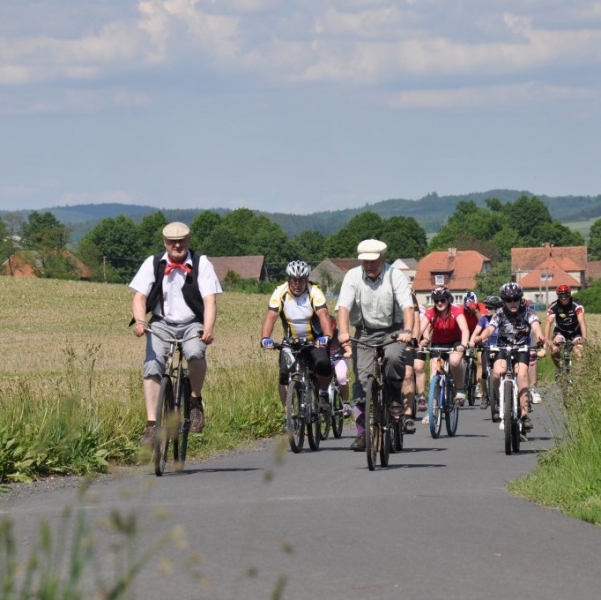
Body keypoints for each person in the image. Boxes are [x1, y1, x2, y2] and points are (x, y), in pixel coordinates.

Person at [130, 222, 222, 446]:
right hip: (161, 322)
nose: (177, 245)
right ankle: (151, 425)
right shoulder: (153, 263)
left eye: (181, 241)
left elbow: (210, 300)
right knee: (152, 365)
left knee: (195, 353)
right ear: (165, 242)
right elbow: (139, 297)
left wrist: (208, 328)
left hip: (193, 322)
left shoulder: (201, 263)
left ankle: (195, 400)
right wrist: (140, 322)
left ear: (188, 240)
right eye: (172, 242)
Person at [336, 239, 414, 451]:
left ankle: (395, 395)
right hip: (365, 332)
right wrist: (343, 332)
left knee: (393, 358)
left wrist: (407, 331)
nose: (369, 265)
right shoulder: (352, 276)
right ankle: (363, 434)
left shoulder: (394, 275)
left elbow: (407, 307)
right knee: (362, 382)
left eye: (373, 261)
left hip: (393, 331)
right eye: (365, 261)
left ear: (383, 259)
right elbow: (343, 307)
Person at [260, 260, 333, 411]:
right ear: (288, 280)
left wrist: (326, 336)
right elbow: (271, 317)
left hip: (314, 340)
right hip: (291, 341)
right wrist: (265, 338)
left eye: (301, 280)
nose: (297, 284)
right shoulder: (280, 292)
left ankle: (323, 392)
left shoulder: (314, 292)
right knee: (284, 374)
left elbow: (324, 315)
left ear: (307, 279)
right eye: (294, 280)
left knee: (323, 364)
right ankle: (288, 413)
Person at [477, 282, 544, 433]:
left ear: (520, 299)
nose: (512, 303)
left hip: (521, 348)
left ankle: (525, 415)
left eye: (515, 299)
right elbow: (490, 328)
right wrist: (481, 337)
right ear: (504, 301)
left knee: (522, 375)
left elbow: (535, 326)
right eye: (508, 300)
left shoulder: (528, 312)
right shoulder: (499, 313)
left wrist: (540, 337)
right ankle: (500, 401)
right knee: (496, 373)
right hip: (503, 348)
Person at [419, 286, 470, 422]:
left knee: (454, 361)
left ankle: (460, 389)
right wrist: (415, 341)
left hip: (455, 342)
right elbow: (420, 329)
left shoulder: (455, 311)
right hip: (438, 343)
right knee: (434, 374)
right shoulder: (430, 312)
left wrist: (463, 345)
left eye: (443, 300)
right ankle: (432, 411)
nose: (439, 303)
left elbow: (465, 329)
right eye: (436, 300)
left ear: (448, 300)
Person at [544, 284, 587, 376]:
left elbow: (581, 321)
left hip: (575, 332)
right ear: (558, 296)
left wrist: (584, 338)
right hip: (561, 331)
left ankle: (578, 377)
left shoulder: (576, 304)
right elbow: (548, 322)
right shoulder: (554, 306)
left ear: (569, 295)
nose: (564, 298)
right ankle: (560, 370)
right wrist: (547, 339)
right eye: (561, 296)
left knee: (579, 352)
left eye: (566, 296)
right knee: (554, 349)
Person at [469, 295, 502, 411]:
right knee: (484, 373)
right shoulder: (483, 319)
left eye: (490, 308)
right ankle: (484, 395)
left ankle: (501, 395)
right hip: (486, 347)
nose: (486, 309)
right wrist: (472, 340)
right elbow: (476, 332)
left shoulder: (502, 318)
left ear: (497, 309)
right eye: (486, 307)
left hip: (500, 348)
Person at [328, 316, 352, 417]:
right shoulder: (320, 335)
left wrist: (349, 352)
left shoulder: (339, 335)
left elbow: (346, 345)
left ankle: (346, 402)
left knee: (341, 377)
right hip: (327, 360)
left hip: (340, 358)